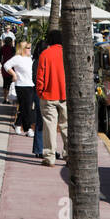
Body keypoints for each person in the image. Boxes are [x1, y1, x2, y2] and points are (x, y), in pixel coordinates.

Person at [36, 29, 68, 166]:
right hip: (66, 96)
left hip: (48, 95)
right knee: (66, 127)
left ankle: (49, 157)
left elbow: (40, 76)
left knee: (49, 127)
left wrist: (40, 92)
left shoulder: (45, 54)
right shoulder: (68, 54)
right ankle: (69, 156)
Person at [3, 39, 36, 136]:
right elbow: (6, 65)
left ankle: (17, 124)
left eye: (30, 48)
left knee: (25, 107)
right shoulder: (17, 58)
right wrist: (13, 74)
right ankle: (28, 128)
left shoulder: (30, 58)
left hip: (30, 85)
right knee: (27, 107)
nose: (30, 49)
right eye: (28, 48)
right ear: (23, 48)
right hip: (21, 85)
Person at [0, 32, 16, 102]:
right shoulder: (13, 49)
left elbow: (0, 57)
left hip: (4, 67)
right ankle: (8, 98)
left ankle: (4, 98)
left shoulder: (2, 48)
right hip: (11, 67)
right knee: (9, 83)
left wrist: (2, 63)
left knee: (5, 83)